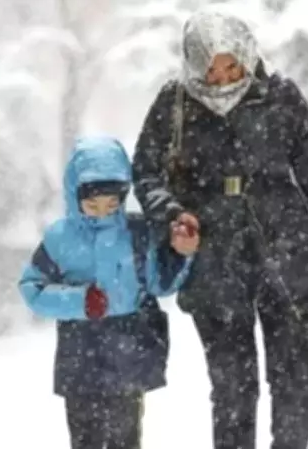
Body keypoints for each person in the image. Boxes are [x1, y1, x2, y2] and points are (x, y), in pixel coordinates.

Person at [132, 9, 308, 449]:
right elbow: (145, 172)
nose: (221, 79)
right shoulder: (175, 102)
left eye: (230, 66)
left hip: (287, 255)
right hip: (214, 264)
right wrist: (172, 215)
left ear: (246, 55)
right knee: (232, 389)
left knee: (293, 382)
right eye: (210, 68)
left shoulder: (280, 97)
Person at [18, 136, 199, 449]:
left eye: (112, 203)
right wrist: (79, 301)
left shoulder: (138, 233)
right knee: (85, 438)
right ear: (75, 195)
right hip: (80, 354)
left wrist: (181, 254)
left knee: (125, 439)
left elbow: (159, 284)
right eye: (92, 204)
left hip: (128, 353)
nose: (102, 211)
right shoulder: (60, 237)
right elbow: (32, 288)